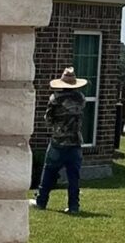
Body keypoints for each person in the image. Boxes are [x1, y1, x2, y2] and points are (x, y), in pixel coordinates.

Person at [32, 66, 88, 214]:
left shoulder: (55, 99)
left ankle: (41, 201)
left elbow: (48, 119)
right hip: (75, 142)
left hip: (58, 141)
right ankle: (74, 206)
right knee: (73, 177)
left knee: (49, 171)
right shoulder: (81, 98)